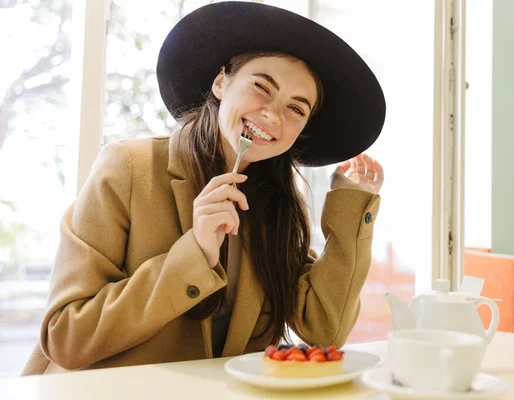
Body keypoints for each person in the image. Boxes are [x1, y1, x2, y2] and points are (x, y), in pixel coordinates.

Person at [22, 1, 386, 375]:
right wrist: (194, 253)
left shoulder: (275, 204)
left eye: (296, 108)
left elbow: (326, 329)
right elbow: (64, 336)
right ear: (220, 82)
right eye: (262, 86)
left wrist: (351, 208)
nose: (273, 114)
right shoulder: (127, 168)